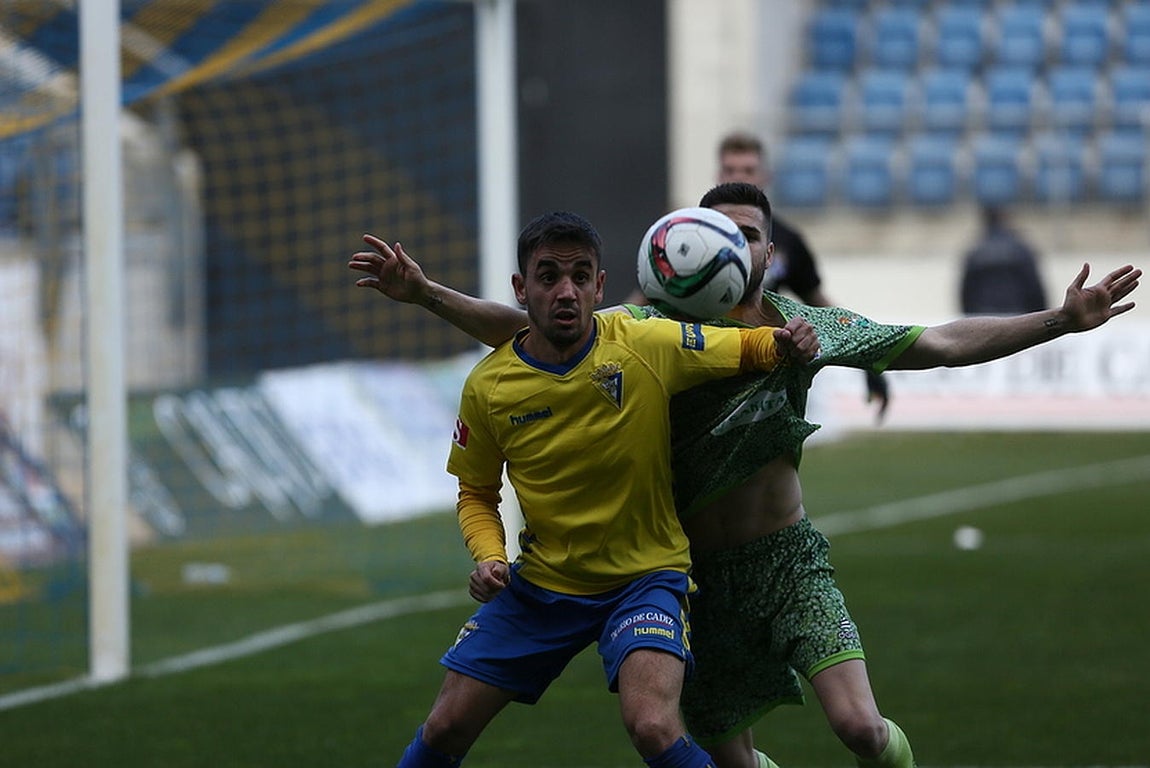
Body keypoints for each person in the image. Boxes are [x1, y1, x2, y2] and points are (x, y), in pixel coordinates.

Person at [350, 190, 1141, 768]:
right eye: (716, 233)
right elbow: (535, 332)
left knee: (860, 731)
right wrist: (424, 294)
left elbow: (936, 340)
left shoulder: (806, 328)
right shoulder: (656, 332)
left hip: (772, 563)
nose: (732, 247)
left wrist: (1057, 321)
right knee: (710, 756)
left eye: (748, 236)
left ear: (767, 253)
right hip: (697, 582)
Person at [381, 210, 819, 768]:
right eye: (548, 277)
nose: (566, 291)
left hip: (645, 578)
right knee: (443, 727)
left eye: (580, 276)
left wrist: (788, 341)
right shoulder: (489, 387)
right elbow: (476, 493)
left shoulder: (643, 342)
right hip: (542, 585)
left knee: (654, 726)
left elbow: (743, 348)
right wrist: (491, 557)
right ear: (521, 288)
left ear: (600, 286)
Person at [960, 205, 1048, 315]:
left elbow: (966, 293)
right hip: (1018, 316)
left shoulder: (975, 251)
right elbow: (1035, 289)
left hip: (983, 317)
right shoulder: (1021, 250)